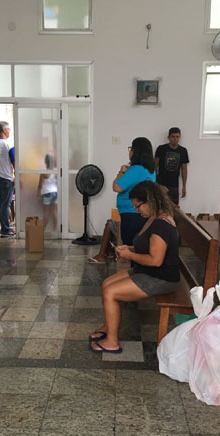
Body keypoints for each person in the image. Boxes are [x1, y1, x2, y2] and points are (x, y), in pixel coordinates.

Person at [89, 181, 180, 353]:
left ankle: (112, 342)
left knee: (111, 293)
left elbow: (155, 260)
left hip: (161, 278)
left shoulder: (161, 224)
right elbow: (147, 247)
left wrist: (129, 255)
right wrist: (129, 248)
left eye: (138, 206)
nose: (137, 210)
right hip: (149, 271)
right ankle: (108, 326)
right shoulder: (153, 218)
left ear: (150, 201)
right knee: (106, 284)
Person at [88, 137, 156, 263]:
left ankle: (133, 272)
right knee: (136, 244)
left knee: (130, 245)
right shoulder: (150, 170)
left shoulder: (136, 169)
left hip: (132, 214)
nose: (129, 151)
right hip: (139, 213)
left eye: (131, 148)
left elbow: (116, 186)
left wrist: (121, 171)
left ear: (135, 151)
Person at [154, 127, 189, 205]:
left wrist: (184, 186)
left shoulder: (183, 151)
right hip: (161, 183)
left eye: (177, 137)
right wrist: (155, 182)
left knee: (174, 207)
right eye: (173, 137)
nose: (175, 139)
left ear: (179, 137)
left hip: (174, 184)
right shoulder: (161, 149)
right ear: (168, 137)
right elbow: (154, 166)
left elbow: (184, 170)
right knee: (159, 206)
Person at [37, 154, 58, 231]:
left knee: (46, 213)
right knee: (54, 212)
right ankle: (55, 230)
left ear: (46, 162)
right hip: (55, 192)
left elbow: (40, 185)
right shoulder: (56, 171)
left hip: (46, 193)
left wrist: (38, 194)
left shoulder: (44, 172)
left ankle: (42, 230)